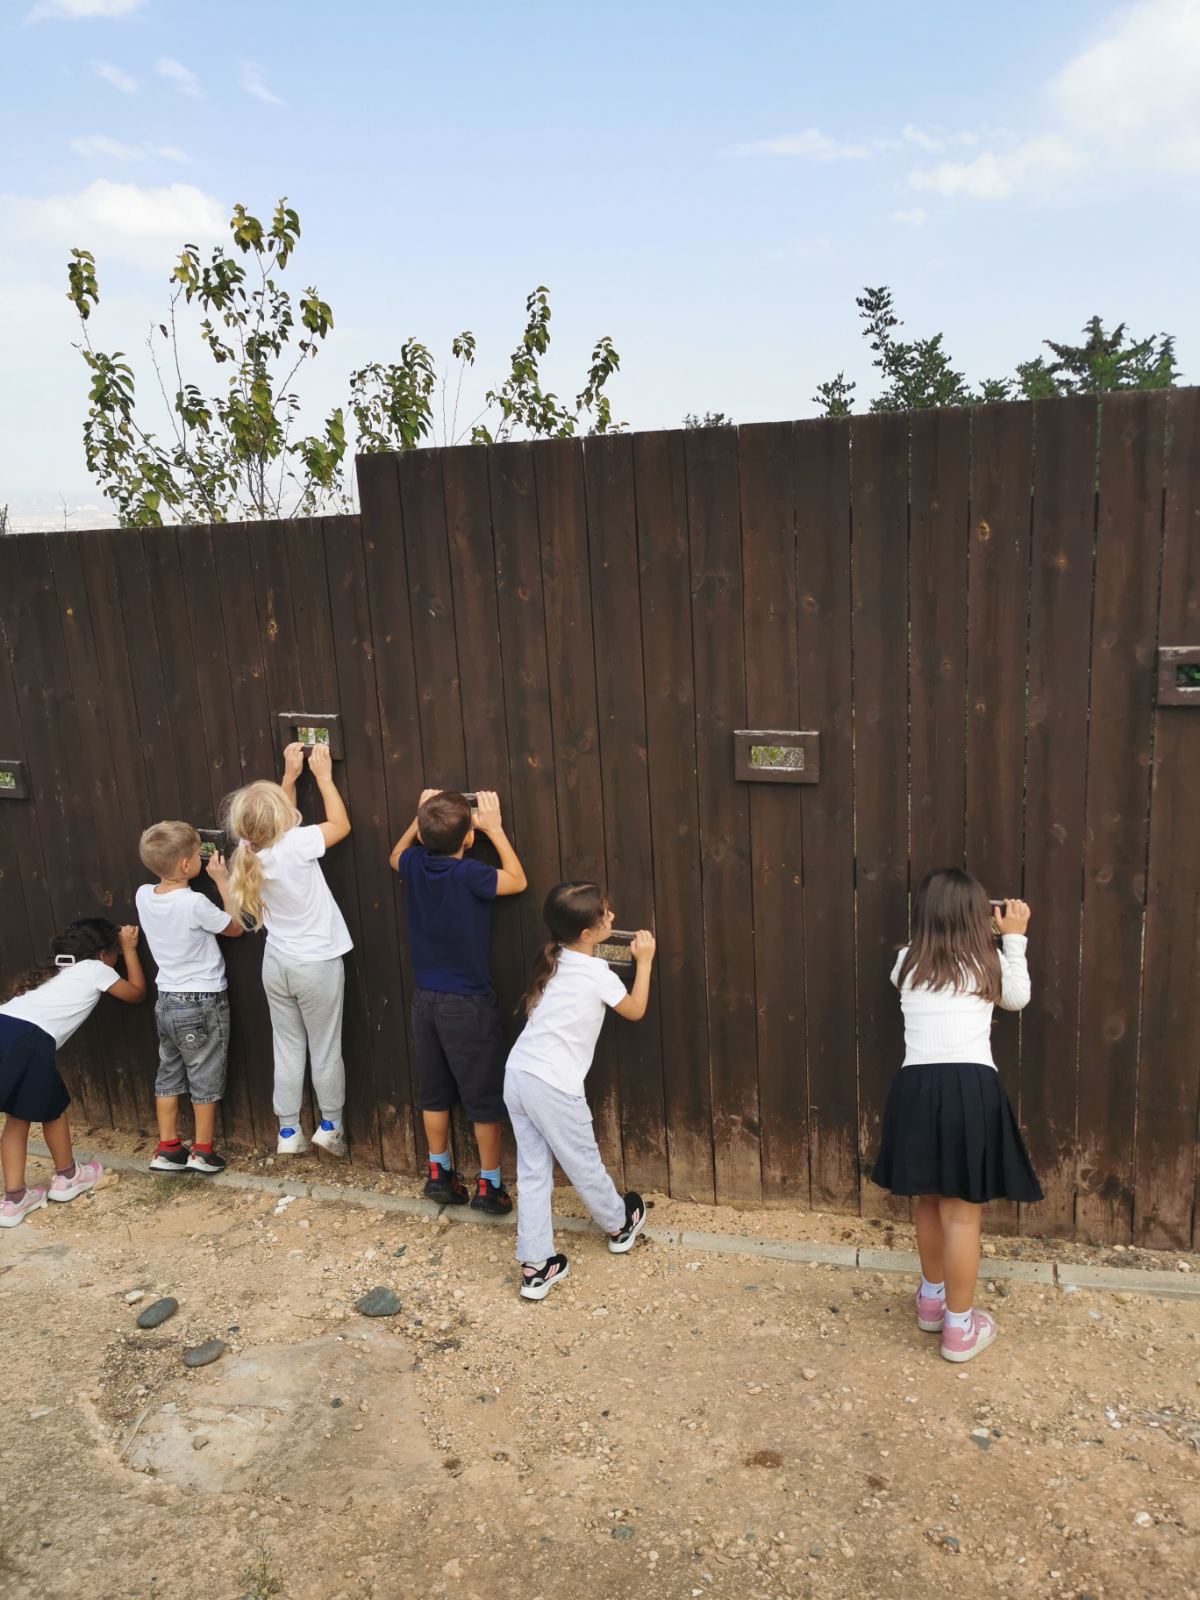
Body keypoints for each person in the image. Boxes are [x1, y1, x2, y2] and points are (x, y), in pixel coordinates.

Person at [871, 868, 1041, 1362]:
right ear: (976, 916)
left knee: (928, 1201)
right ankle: (959, 1328)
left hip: (916, 1089)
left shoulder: (906, 962)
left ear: (923, 914)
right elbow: (1017, 998)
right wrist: (1013, 938)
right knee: (962, 1215)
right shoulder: (986, 961)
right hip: (970, 1088)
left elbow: (917, 971)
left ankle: (931, 1302)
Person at [503, 882, 655, 1300]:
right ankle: (619, 1225)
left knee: (533, 1171)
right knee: (583, 1162)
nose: (613, 917)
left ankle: (536, 1265)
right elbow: (635, 1010)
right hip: (552, 1085)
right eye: (605, 915)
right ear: (588, 933)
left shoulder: (556, 958)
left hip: (518, 1074)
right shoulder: (597, 973)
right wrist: (644, 962)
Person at [389, 789, 527, 1213]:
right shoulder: (470, 875)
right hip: (468, 1004)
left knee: (433, 1094)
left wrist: (418, 816)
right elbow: (518, 880)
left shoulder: (414, 864)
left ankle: (439, 1172)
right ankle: (490, 1185)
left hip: (425, 1002)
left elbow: (395, 855)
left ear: (422, 834)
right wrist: (495, 830)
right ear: (469, 837)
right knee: (483, 1098)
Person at [223, 742, 352, 1157]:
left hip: (277, 963)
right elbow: (340, 825)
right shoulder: (297, 843)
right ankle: (330, 1126)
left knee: (288, 1046)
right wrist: (324, 778)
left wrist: (289, 777)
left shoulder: (246, 853)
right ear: (282, 817)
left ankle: (288, 1131)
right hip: (316, 964)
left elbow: (271, 825)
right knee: (325, 1047)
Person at [0, 918, 145, 1226]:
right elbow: (136, 993)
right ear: (104, 954)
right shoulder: (96, 969)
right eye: (116, 952)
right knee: (52, 1110)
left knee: (17, 1116)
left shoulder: (56, 969)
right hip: (30, 1040)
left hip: (5, 1028)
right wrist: (131, 949)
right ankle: (67, 1177)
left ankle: (14, 1199)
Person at [136, 821, 244, 1175]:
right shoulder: (194, 902)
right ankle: (202, 1151)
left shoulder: (143, 895)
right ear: (186, 865)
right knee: (204, 1074)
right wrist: (223, 881)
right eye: (198, 854)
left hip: (167, 998)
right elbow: (234, 927)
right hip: (202, 999)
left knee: (168, 1072)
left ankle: (168, 1148)